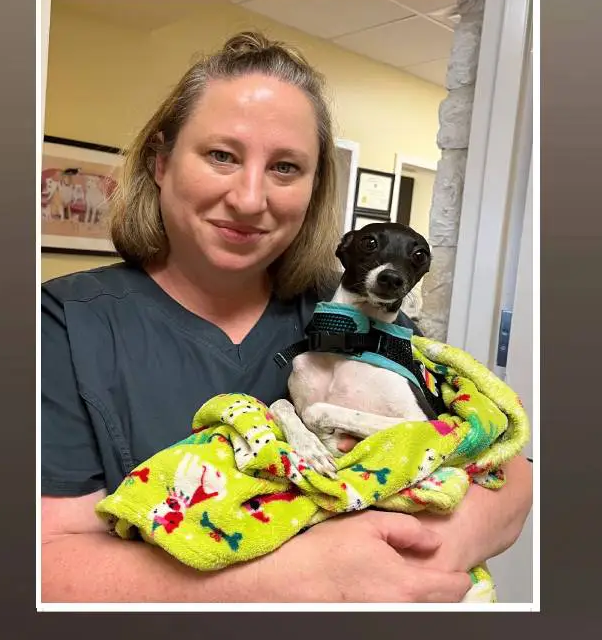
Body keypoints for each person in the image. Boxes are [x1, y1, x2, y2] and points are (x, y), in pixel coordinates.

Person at [39, 31, 533, 603]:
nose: (251, 199)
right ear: (160, 161)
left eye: (285, 167)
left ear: (313, 187)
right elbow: (46, 562)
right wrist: (296, 581)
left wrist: (424, 557)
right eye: (221, 155)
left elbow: (506, 473)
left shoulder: (350, 312)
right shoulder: (67, 325)